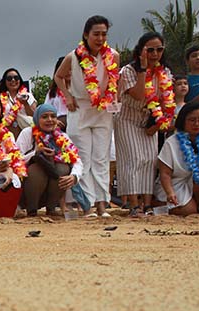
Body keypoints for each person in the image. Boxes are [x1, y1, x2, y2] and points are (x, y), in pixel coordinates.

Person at [54, 15, 119, 218]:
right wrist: (68, 96)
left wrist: (112, 98)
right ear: (86, 34)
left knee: (101, 158)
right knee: (83, 159)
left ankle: (102, 204)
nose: (100, 38)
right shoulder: (73, 56)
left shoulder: (113, 55)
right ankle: (87, 205)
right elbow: (58, 76)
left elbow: (113, 80)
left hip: (102, 111)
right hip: (80, 110)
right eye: (96, 34)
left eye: (104, 34)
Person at [115, 32, 173, 217]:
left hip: (150, 120)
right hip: (127, 119)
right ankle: (133, 205)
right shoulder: (128, 71)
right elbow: (140, 95)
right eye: (150, 50)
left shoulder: (164, 72)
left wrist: (158, 124)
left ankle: (147, 205)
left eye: (159, 49)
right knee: (134, 159)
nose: (155, 54)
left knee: (149, 160)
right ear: (141, 51)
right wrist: (142, 69)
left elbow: (165, 103)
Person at [16, 104, 83, 216]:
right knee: (37, 170)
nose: (50, 120)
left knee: (62, 168)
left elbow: (77, 161)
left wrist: (74, 176)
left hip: (52, 185)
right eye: (45, 117)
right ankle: (31, 210)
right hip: (27, 188)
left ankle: (51, 209)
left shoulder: (62, 137)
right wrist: (35, 153)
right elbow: (16, 160)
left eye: (53, 116)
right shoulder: (28, 133)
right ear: (37, 119)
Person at [0, 68, 37, 137]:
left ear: (20, 80)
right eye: (9, 78)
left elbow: (35, 115)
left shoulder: (27, 95)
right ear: (5, 82)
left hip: (27, 133)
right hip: (7, 135)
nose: (13, 80)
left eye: (16, 78)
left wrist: (25, 103)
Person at [46, 58, 69, 129]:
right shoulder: (52, 91)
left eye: (69, 68)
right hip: (57, 126)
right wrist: (54, 121)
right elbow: (46, 109)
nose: (67, 71)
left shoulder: (79, 88)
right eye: (64, 69)